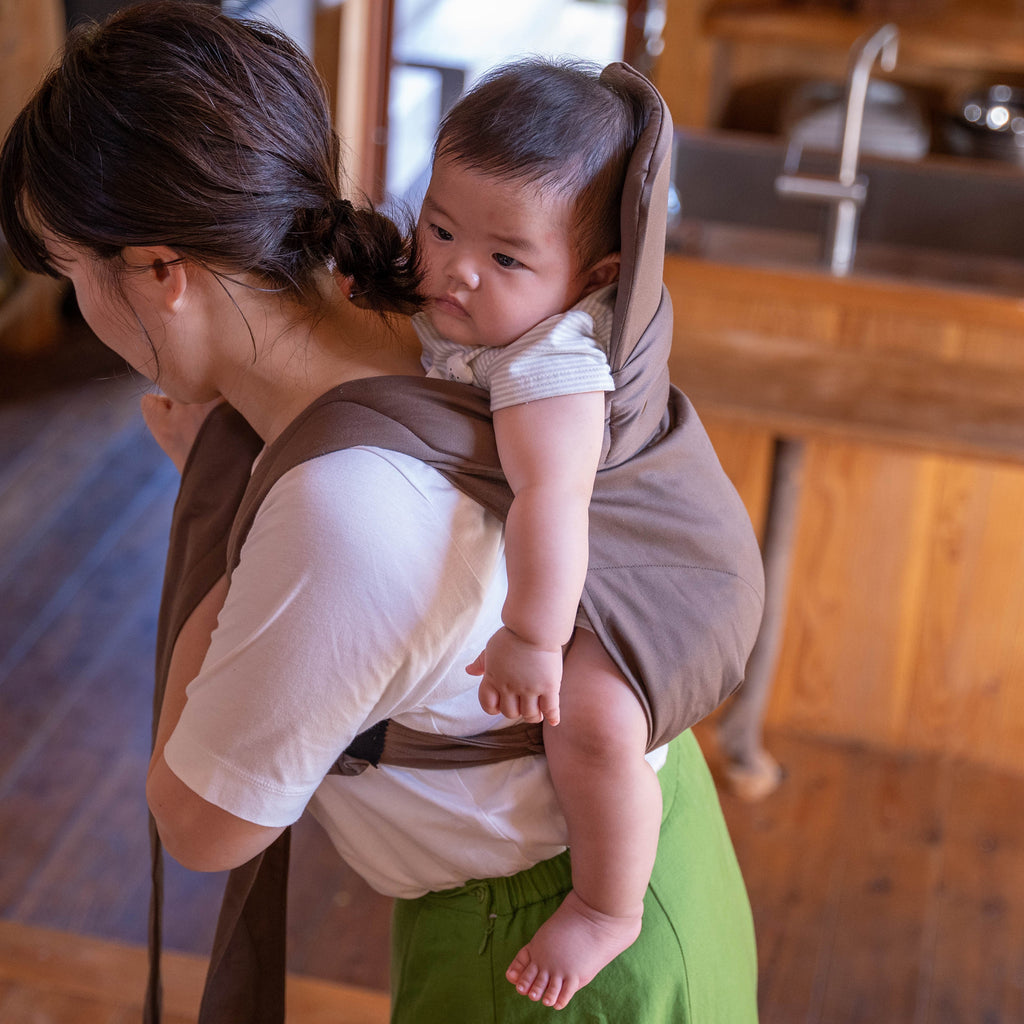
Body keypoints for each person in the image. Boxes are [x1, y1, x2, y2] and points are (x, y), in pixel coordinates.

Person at [0, 3, 761, 1021]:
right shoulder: (421, 302)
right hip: (643, 843)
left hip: (548, 950)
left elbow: (199, 823)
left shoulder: (338, 512)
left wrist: (235, 530)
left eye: (71, 271)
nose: (80, 308)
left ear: (159, 272)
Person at [412, 59, 662, 1007]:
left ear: (590, 278)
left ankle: (608, 906)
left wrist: (533, 637)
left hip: (618, 570)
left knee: (595, 726)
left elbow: (550, 500)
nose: (454, 269)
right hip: (577, 551)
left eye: (506, 258)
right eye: (439, 226)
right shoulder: (480, 294)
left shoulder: (554, 364)